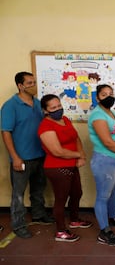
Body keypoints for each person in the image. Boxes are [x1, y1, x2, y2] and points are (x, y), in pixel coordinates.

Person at [1, 71, 54, 239]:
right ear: (20, 86)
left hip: (40, 155)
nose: (33, 86)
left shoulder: (38, 103)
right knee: (18, 194)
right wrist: (15, 157)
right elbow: (6, 132)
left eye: (34, 82)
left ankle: (38, 214)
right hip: (21, 158)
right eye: (30, 83)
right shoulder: (10, 106)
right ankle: (18, 225)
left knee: (38, 189)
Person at [38, 94, 92, 242]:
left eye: (59, 106)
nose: (58, 109)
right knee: (61, 200)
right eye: (53, 108)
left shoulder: (65, 119)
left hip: (71, 165)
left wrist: (81, 156)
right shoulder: (45, 126)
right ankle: (61, 231)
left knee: (77, 193)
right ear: (45, 110)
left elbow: (76, 137)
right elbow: (57, 151)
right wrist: (78, 156)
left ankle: (74, 220)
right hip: (57, 168)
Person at [88, 84, 115, 246]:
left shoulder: (111, 113)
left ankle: (113, 217)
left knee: (114, 192)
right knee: (103, 196)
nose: (109, 97)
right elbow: (107, 142)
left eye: (111, 93)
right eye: (104, 94)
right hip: (104, 160)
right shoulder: (97, 115)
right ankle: (104, 231)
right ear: (97, 97)